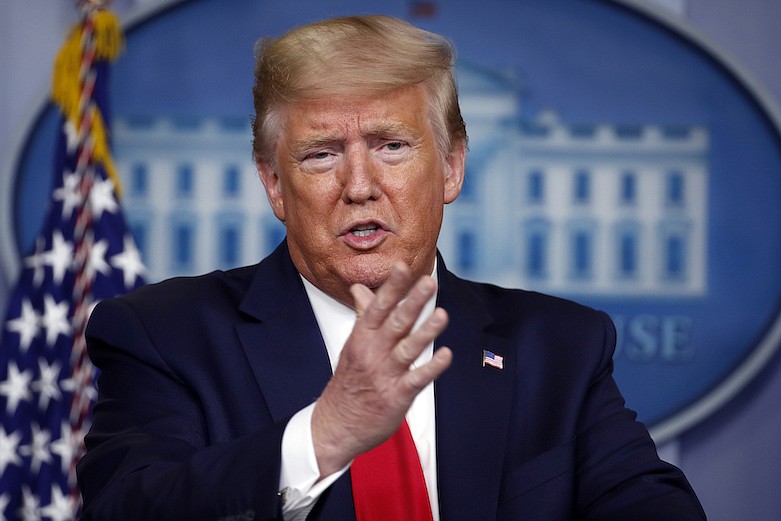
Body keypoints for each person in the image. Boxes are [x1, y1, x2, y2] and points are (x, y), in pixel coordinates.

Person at [76, 14, 706, 521]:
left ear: (453, 167)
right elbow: (125, 507)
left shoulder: (560, 348)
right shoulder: (163, 333)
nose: (360, 187)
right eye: (321, 154)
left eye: (392, 146)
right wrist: (322, 436)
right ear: (274, 184)